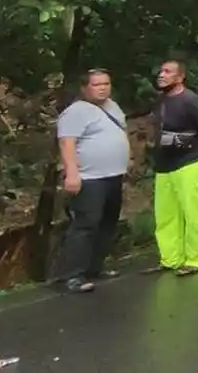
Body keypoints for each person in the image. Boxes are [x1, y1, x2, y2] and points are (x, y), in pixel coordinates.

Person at [53, 69, 130, 293]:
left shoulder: (113, 107)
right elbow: (67, 143)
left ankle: (94, 266)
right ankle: (72, 274)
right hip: (89, 177)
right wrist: (72, 173)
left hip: (113, 175)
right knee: (86, 224)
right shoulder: (75, 112)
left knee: (108, 222)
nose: (103, 88)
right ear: (85, 88)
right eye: (97, 85)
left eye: (106, 83)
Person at [150, 59, 198, 276]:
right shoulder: (161, 101)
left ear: (180, 77)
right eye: (161, 71)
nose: (162, 75)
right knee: (165, 214)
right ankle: (170, 258)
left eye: (168, 72)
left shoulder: (191, 100)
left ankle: (197, 258)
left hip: (190, 161)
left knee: (194, 212)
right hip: (164, 164)